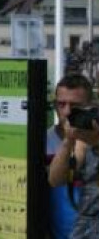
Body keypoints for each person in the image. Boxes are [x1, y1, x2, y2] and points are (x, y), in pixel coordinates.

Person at [48, 74, 94, 239]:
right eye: (61, 104)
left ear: (90, 107)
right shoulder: (43, 142)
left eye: (75, 106)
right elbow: (56, 180)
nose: (67, 112)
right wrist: (69, 141)